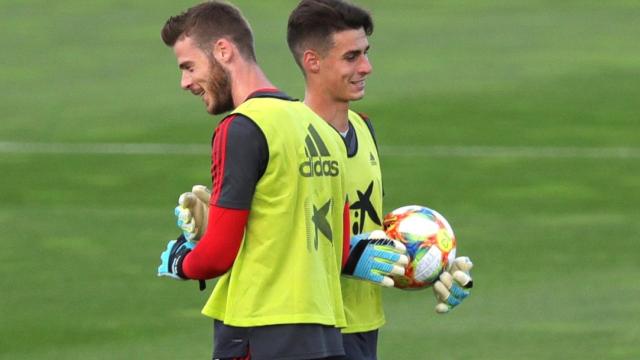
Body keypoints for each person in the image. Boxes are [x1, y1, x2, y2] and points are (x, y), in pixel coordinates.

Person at [155, 2, 406, 359]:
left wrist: (182, 259)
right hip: (326, 330)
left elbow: (217, 256)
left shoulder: (240, 128)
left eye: (189, 66)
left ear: (223, 51)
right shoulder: (320, 128)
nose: (185, 82)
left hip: (258, 328)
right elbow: (330, 237)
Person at [286, 0, 474, 358]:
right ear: (313, 61)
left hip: (361, 326)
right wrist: (347, 257)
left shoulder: (363, 128)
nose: (367, 67)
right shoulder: (286, 135)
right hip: (303, 330)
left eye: (366, 53)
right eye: (351, 57)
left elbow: (368, 232)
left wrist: (434, 265)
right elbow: (274, 238)